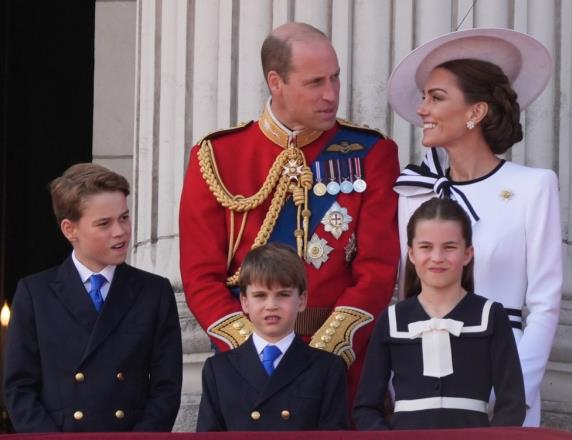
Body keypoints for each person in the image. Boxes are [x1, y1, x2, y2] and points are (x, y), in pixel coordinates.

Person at [179, 21, 399, 401]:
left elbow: (377, 272)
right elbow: (201, 278)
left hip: (339, 372)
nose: (331, 94)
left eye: (335, 78)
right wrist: (257, 355)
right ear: (275, 81)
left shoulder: (371, 153)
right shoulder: (216, 156)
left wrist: (321, 361)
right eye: (315, 83)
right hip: (247, 372)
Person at [388, 28, 562, 426]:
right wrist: (400, 386)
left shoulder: (532, 186)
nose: (422, 110)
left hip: (503, 373)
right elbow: (404, 296)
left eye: (436, 98)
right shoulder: (414, 193)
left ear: (475, 112)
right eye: (424, 98)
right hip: (422, 379)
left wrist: (514, 392)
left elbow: (545, 304)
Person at [3, 163, 182, 432]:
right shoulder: (34, 293)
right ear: (69, 229)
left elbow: (166, 390)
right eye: (104, 223)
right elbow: (19, 389)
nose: (120, 231)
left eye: (124, 217)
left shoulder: (154, 292)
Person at [354, 198, 526, 429]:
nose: (437, 257)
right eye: (426, 247)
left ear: (467, 254)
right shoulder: (392, 319)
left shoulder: (491, 316)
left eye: (449, 247)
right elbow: (366, 406)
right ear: (412, 254)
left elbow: (512, 404)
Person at [196, 243, 348, 431]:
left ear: (302, 300)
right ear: (244, 302)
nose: (271, 305)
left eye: (283, 294)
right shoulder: (218, 370)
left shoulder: (327, 368)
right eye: (260, 295)